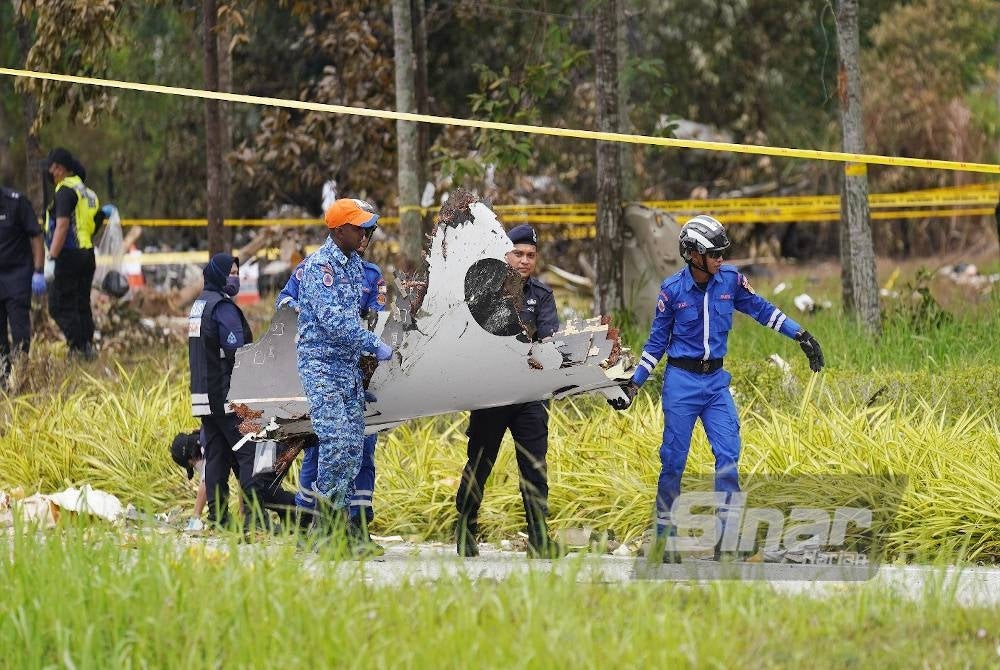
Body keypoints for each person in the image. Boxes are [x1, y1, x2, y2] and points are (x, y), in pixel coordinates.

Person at [609, 215, 825, 562]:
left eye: (723, 253)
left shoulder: (731, 280)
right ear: (693, 254)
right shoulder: (672, 290)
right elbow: (655, 344)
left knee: (728, 457)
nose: (721, 259)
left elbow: (763, 311)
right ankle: (664, 541)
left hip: (715, 385)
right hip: (681, 382)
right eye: (714, 254)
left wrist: (801, 335)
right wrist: (633, 385)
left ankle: (726, 542)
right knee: (673, 463)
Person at [455, 224, 564, 559]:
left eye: (530, 255)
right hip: (492, 392)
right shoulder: (483, 292)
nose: (524, 260)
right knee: (480, 462)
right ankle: (465, 527)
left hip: (530, 394)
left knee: (534, 466)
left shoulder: (541, 295)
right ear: (505, 255)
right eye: (518, 253)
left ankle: (538, 538)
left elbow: (548, 339)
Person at [277, 227, 387, 543]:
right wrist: (304, 309)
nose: (365, 239)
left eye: (369, 234)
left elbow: (379, 320)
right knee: (322, 448)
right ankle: (310, 525)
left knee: (359, 450)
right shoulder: (314, 267)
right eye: (361, 231)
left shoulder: (370, 275)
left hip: (357, 373)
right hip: (321, 369)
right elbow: (284, 301)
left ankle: (356, 528)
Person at [188, 252, 298, 531]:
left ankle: (219, 519)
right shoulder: (223, 308)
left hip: (204, 399)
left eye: (237, 273)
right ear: (218, 274)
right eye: (231, 273)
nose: (235, 278)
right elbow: (239, 354)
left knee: (216, 457)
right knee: (251, 453)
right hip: (228, 397)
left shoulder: (199, 305)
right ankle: (254, 520)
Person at [44, 148, 99, 360]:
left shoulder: (65, 191)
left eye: (53, 167)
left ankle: (77, 347)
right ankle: (87, 347)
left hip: (68, 254)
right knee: (81, 303)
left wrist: (52, 257)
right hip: (87, 253)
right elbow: (93, 224)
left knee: (59, 305)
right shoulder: (86, 191)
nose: (50, 172)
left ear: (60, 168)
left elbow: (62, 226)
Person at [0, 184, 45, 389]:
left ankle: (19, 378)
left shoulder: (16, 202)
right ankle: (3, 379)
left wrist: (38, 270)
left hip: (17, 276)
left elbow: (36, 235)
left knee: (20, 333)